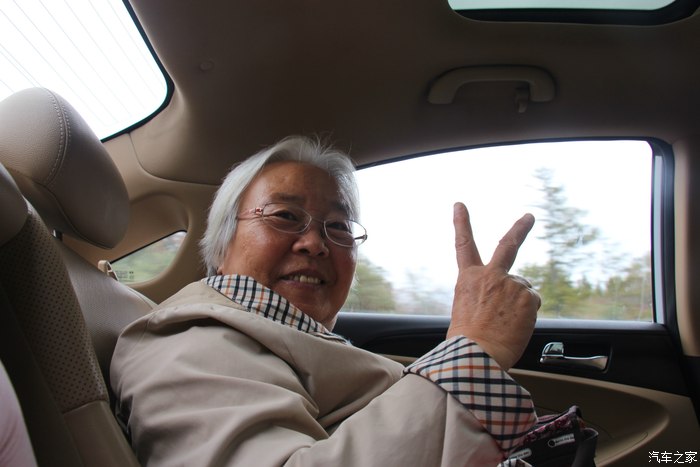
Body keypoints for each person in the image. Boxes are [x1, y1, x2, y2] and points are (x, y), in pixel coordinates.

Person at [111, 135, 541, 466]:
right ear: (222, 249)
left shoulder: (281, 340)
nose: (315, 243)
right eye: (284, 216)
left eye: (337, 226)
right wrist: (476, 348)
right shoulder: (191, 341)